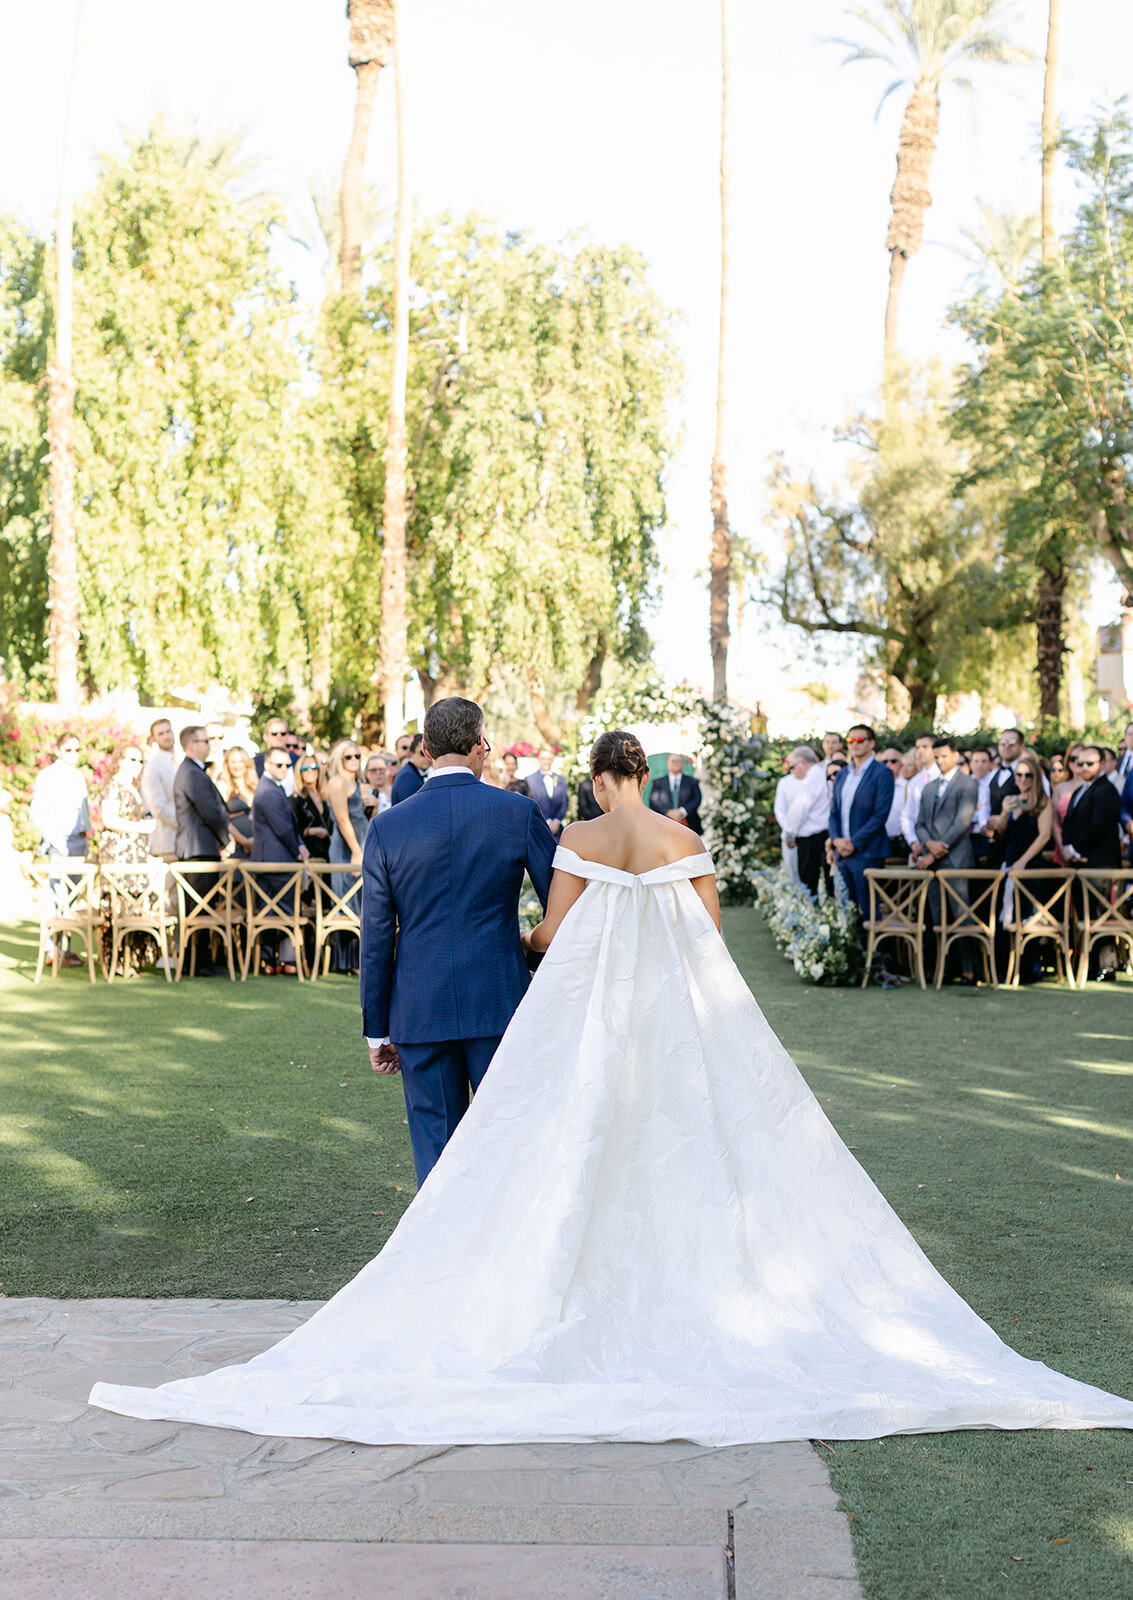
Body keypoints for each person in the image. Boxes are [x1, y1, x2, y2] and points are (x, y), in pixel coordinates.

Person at [89, 726, 1133, 1447]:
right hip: (681, 1025)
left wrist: (538, 937)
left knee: (565, 1134)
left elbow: (553, 933)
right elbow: (708, 939)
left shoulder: (578, 839)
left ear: (596, 779)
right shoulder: (684, 839)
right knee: (693, 1141)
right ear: (645, 775)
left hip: (594, 1022)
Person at [360, 697, 557, 1184]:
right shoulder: (518, 812)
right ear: (479, 748)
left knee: (437, 1155)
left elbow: (378, 935)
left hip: (419, 1008)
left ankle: (437, 1254)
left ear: (425, 749)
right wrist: (527, 947)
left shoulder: (387, 826)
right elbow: (566, 906)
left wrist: (377, 1030)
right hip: (498, 998)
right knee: (507, 1139)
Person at [173, 726, 232, 976]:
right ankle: (197, 963)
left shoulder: (194, 771)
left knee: (202, 907)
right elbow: (211, 812)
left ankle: (199, 961)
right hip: (198, 850)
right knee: (199, 909)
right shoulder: (191, 773)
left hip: (201, 848)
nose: (209, 745)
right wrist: (226, 839)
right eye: (205, 741)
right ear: (190, 745)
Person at [29, 732, 92, 968]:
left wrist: (87, 832)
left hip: (79, 842)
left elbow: (83, 809)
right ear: (58, 750)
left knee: (72, 898)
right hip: (59, 844)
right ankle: (50, 950)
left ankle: (63, 950)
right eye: (68, 749)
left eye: (77, 750)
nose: (73, 754)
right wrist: (56, 841)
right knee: (57, 897)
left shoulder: (78, 776)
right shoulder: (47, 776)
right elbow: (36, 814)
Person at [1061, 746, 1123, 980]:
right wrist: (1068, 849)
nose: (1083, 767)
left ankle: (1106, 967)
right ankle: (1089, 964)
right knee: (1087, 915)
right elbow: (1071, 822)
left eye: (1090, 763)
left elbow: (1100, 825)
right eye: (1080, 763)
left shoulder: (1106, 791)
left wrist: (1076, 849)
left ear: (1102, 765)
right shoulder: (1081, 790)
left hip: (1100, 865)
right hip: (1080, 864)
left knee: (1100, 915)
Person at [96, 745, 158, 975]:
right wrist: (139, 827)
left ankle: (130, 960)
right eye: (131, 759)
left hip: (135, 854)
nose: (136, 764)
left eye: (140, 760)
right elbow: (108, 819)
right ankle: (116, 962)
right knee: (116, 906)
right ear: (120, 760)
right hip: (117, 854)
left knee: (133, 905)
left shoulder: (133, 788)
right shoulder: (113, 786)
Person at [251, 750, 310, 976]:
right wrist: (298, 850)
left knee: (271, 909)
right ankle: (285, 961)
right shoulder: (267, 790)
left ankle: (272, 961)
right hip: (275, 860)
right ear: (267, 764)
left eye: (287, 765)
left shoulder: (272, 788)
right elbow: (283, 827)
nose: (284, 769)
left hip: (273, 858)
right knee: (282, 908)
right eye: (279, 765)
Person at [826, 725, 895, 912]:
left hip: (867, 853)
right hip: (843, 853)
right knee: (846, 911)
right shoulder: (842, 775)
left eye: (859, 740)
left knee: (867, 912)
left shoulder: (882, 773)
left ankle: (868, 943)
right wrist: (836, 840)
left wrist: (854, 843)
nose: (854, 744)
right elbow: (834, 812)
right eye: (850, 740)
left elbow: (880, 815)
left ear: (871, 743)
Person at [327, 739, 367, 972]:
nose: (353, 761)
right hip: (346, 847)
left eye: (357, 756)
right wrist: (355, 850)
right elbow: (342, 819)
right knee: (346, 900)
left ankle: (357, 960)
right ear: (339, 759)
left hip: (360, 844)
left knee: (360, 900)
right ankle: (345, 962)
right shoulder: (336, 782)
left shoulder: (357, 782)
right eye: (348, 757)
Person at [780, 747, 829, 897]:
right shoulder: (822, 773)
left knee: (808, 883)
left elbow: (799, 809)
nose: (791, 771)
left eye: (793, 766)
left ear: (803, 763)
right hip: (824, 835)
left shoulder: (812, 779)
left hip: (810, 839)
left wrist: (790, 834)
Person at [140, 718, 178, 861]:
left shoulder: (181, 760)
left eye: (168, 731)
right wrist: (185, 822)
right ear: (154, 739)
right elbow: (158, 807)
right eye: (161, 733)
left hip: (188, 842)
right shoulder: (153, 766)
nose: (166, 736)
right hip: (167, 842)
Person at [900, 734, 938, 855]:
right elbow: (908, 814)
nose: (920, 751)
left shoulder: (943, 777)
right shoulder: (915, 781)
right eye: (918, 747)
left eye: (925, 747)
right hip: (920, 847)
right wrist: (913, 841)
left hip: (941, 845)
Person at [648, 752, 702, 834]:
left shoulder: (692, 781)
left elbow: (697, 799)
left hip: (689, 826)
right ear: (668, 764)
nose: (676, 763)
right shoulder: (658, 782)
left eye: (679, 761)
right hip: (663, 826)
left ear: (683, 764)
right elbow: (654, 801)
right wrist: (668, 812)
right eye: (673, 761)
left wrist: (682, 811)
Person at [292, 755, 332, 861]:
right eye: (305, 768)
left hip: (328, 852)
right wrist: (313, 831)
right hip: (309, 854)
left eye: (314, 767)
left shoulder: (325, 796)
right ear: (299, 772)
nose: (310, 770)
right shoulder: (296, 799)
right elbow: (293, 830)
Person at [218, 746, 257, 857]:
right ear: (227, 764)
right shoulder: (223, 785)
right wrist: (244, 841)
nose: (237, 766)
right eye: (233, 762)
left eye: (240, 761)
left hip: (257, 844)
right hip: (236, 846)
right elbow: (222, 819)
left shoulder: (254, 785)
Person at [528, 747, 569, 837]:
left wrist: (557, 820)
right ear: (538, 759)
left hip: (557, 831)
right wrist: (546, 821)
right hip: (537, 829)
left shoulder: (561, 780)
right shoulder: (529, 780)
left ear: (553, 759)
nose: (546, 761)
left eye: (549, 759)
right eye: (543, 759)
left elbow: (564, 802)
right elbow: (530, 804)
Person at [253, 715, 297, 795]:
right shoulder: (255, 762)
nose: (279, 736)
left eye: (283, 733)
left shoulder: (297, 761)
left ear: (287, 736)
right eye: (274, 733)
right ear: (265, 737)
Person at [967, 746, 995, 865]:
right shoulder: (964, 784)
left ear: (990, 764)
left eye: (984, 761)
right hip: (967, 835)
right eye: (976, 761)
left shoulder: (995, 782)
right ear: (970, 764)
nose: (980, 765)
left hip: (987, 836)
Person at [390, 735, 431, 804]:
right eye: (422, 753)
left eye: (430, 752)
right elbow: (410, 806)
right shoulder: (407, 775)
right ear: (411, 754)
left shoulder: (414, 772)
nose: (427, 757)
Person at [362, 753, 392, 818]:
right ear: (367, 773)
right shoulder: (363, 793)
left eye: (381, 769)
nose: (378, 772)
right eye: (373, 770)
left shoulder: (395, 791)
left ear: (387, 771)